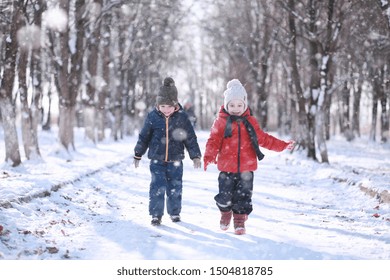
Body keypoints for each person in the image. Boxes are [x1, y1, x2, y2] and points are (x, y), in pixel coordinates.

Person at [203, 79, 294, 235]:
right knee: (224, 196)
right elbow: (213, 141)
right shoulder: (221, 122)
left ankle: (239, 221)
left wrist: (282, 145)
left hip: (247, 168)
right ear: (226, 105)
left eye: (239, 105)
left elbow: (264, 139)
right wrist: (208, 156)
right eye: (232, 105)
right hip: (226, 168)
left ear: (245, 104)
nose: (236, 109)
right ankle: (225, 213)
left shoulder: (250, 121)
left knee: (243, 197)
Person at [133, 77, 202, 226]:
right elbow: (144, 136)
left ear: (175, 104)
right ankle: (156, 215)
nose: (165, 109)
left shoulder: (182, 118)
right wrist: (138, 153)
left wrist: (195, 155)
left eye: (169, 106)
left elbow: (190, 138)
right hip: (157, 160)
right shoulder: (152, 117)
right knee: (157, 187)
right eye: (162, 106)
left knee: (175, 187)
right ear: (158, 104)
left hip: (175, 160)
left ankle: (175, 212)